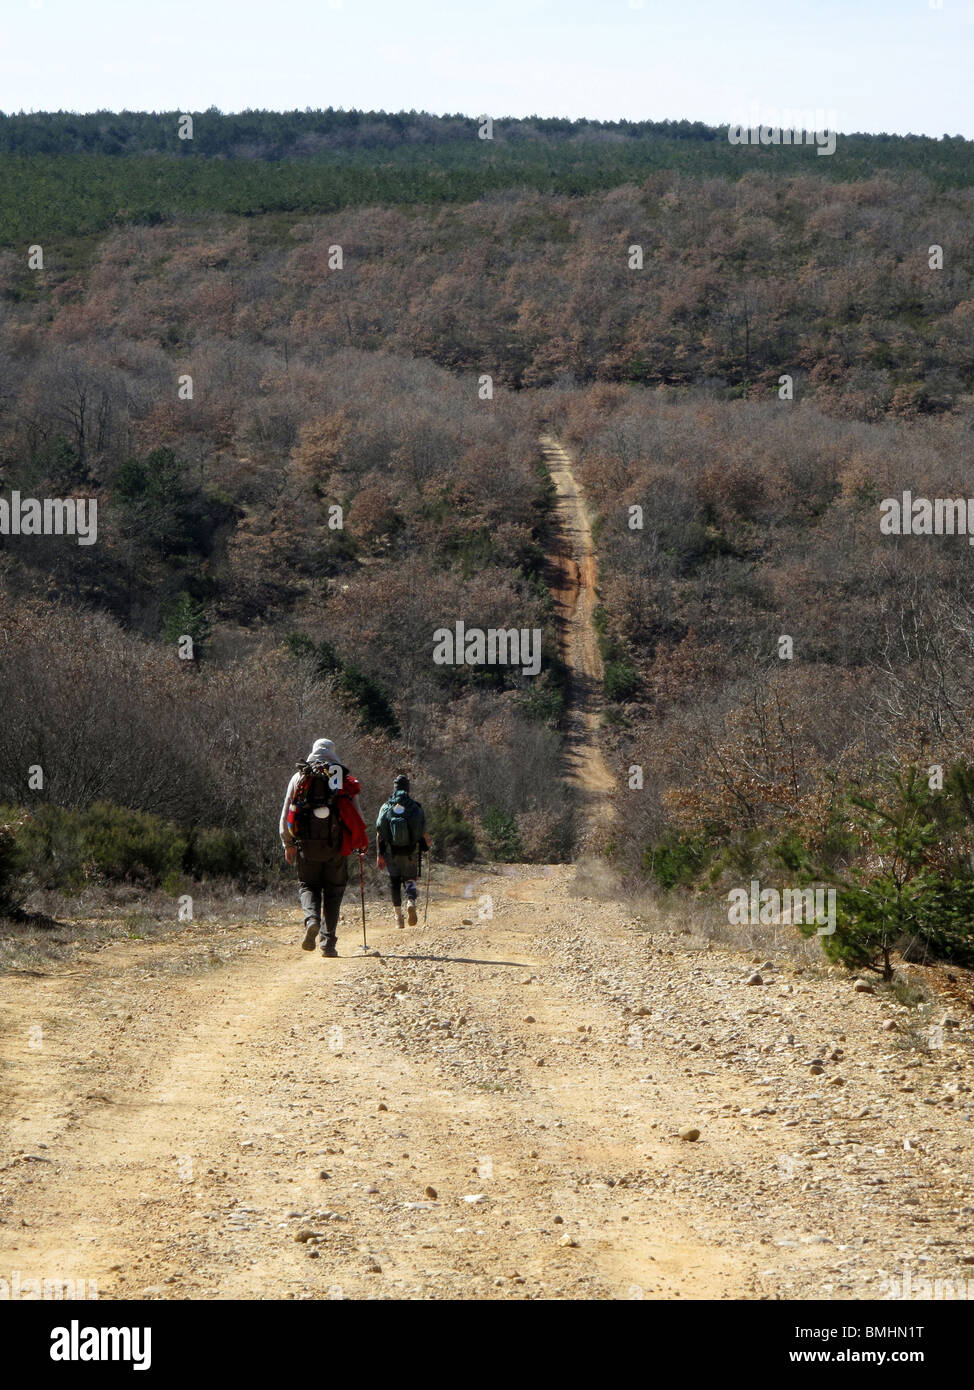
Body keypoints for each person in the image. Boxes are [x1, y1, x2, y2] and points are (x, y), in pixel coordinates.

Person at [280, 737, 367, 958]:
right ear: (332, 752)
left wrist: (287, 843)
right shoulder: (343, 777)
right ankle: (328, 944)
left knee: (307, 885)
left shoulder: (300, 776)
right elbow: (357, 815)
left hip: (305, 847)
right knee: (334, 892)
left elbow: (286, 814)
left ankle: (312, 920)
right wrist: (359, 843)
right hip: (336, 848)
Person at [375, 774, 430, 927]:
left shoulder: (386, 806)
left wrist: (379, 854)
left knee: (394, 882)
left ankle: (398, 917)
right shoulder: (415, 807)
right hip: (410, 852)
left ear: (395, 787)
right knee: (410, 879)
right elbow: (423, 831)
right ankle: (411, 901)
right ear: (408, 788)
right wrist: (427, 844)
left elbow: (379, 831)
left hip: (391, 851)